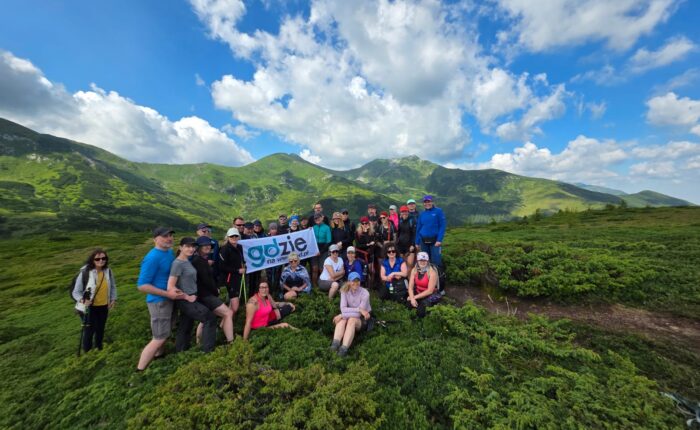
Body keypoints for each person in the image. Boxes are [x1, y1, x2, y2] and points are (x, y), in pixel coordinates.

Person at [136, 227, 183, 371]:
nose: (169, 238)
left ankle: (159, 356)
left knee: (165, 332)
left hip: (169, 299)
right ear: (155, 239)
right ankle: (139, 371)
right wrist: (167, 294)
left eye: (170, 235)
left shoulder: (168, 252)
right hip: (159, 302)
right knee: (159, 337)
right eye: (164, 236)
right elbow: (142, 285)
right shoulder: (152, 258)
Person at [169, 237, 217, 353]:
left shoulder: (187, 260)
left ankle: (181, 351)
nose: (191, 249)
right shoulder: (177, 264)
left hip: (192, 297)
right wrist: (186, 297)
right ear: (181, 247)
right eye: (187, 246)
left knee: (186, 325)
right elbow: (170, 287)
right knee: (209, 318)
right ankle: (208, 351)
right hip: (186, 300)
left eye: (193, 247)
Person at [72, 248, 117, 352]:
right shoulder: (85, 273)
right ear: (92, 260)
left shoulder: (108, 271)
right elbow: (76, 292)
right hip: (89, 307)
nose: (101, 260)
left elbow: (113, 286)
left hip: (103, 306)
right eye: (97, 259)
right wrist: (83, 300)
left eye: (103, 258)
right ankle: (87, 353)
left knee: (100, 329)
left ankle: (99, 349)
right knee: (89, 331)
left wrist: (113, 299)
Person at [192, 236, 234, 344]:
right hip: (206, 295)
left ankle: (198, 342)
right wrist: (216, 290)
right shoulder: (199, 261)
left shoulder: (201, 260)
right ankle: (231, 342)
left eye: (209, 245)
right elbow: (206, 280)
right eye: (204, 245)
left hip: (203, 295)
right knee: (228, 313)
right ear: (198, 247)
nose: (208, 247)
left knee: (205, 319)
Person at [330, 272, 371, 357]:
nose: (356, 283)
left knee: (351, 320)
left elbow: (359, 315)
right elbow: (343, 309)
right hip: (351, 313)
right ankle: (335, 344)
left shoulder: (365, 293)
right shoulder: (344, 291)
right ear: (349, 282)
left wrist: (342, 315)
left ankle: (344, 349)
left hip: (363, 318)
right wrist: (358, 309)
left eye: (358, 281)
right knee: (342, 320)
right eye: (353, 281)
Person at [219, 227, 246, 322]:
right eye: (232, 236)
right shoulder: (224, 249)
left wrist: (243, 264)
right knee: (235, 307)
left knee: (232, 304)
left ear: (239, 237)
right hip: (230, 279)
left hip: (237, 278)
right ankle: (226, 322)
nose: (234, 238)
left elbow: (241, 260)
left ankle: (224, 324)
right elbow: (222, 267)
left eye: (236, 236)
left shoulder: (239, 247)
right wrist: (238, 270)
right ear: (228, 237)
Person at [407, 252, 442, 317]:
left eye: (424, 260)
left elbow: (430, 291)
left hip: (431, 295)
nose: (423, 262)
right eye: (420, 260)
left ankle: (432, 308)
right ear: (417, 260)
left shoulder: (432, 272)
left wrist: (413, 297)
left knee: (420, 313)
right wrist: (412, 298)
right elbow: (410, 287)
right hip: (419, 292)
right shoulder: (414, 270)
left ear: (427, 261)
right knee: (408, 305)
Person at [415, 195, 446, 267]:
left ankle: (439, 273)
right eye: (425, 202)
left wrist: (439, 240)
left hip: (435, 241)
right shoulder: (422, 213)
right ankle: (427, 274)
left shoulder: (438, 211)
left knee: (436, 261)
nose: (427, 203)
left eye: (428, 201)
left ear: (432, 202)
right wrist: (417, 242)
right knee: (424, 260)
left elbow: (442, 226)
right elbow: (418, 228)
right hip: (423, 241)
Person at [311, 213, 332, 286]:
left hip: (324, 249)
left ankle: (322, 285)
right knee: (314, 268)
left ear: (322, 218)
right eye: (315, 218)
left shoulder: (327, 227)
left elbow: (329, 241)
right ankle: (314, 286)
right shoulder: (313, 227)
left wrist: (321, 251)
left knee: (322, 269)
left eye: (318, 218)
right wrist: (308, 230)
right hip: (314, 249)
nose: (317, 219)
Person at [265, 222, 282, 297]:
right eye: (272, 229)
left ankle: (277, 291)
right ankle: (270, 292)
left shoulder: (281, 238)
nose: (273, 230)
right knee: (269, 277)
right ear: (269, 230)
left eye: (275, 229)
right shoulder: (265, 238)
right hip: (269, 261)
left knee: (277, 276)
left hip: (278, 261)